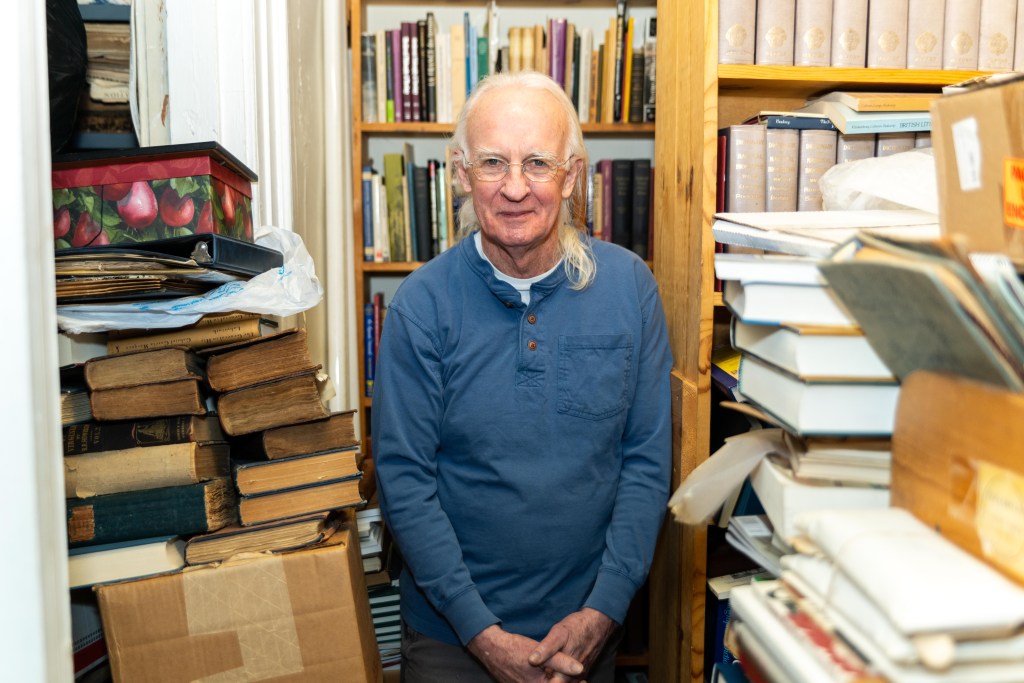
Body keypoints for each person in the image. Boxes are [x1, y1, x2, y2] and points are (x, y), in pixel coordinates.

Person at [372, 70, 673, 683]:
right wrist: (482, 635)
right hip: (451, 638)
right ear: (461, 173)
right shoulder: (420, 306)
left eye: (537, 162)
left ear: (573, 174)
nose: (515, 188)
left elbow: (646, 462)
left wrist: (603, 611)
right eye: (492, 163)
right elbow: (404, 481)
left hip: (588, 632)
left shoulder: (630, 289)